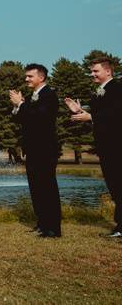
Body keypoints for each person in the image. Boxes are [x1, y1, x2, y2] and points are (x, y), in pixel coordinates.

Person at [65, 57, 121, 238]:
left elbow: (116, 113)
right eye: (91, 71)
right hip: (105, 146)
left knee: (118, 184)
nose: (92, 74)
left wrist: (91, 117)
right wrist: (79, 111)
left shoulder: (117, 88)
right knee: (114, 185)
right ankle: (120, 226)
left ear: (108, 71)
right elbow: (101, 115)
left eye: (96, 71)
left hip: (117, 145)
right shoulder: (99, 92)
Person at [10, 64, 61, 238]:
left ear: (41, 77)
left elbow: (40, 117)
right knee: (36, 188)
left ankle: (53, 228)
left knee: (47, 188)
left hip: (45, 149)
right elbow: (23, 119)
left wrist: (21, 104)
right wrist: (17, 106)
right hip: (32, 149)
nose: (26, 79)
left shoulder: (49, 95)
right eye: (26, 76)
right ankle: (42, 223)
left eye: (30, 76)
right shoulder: (33, 97)